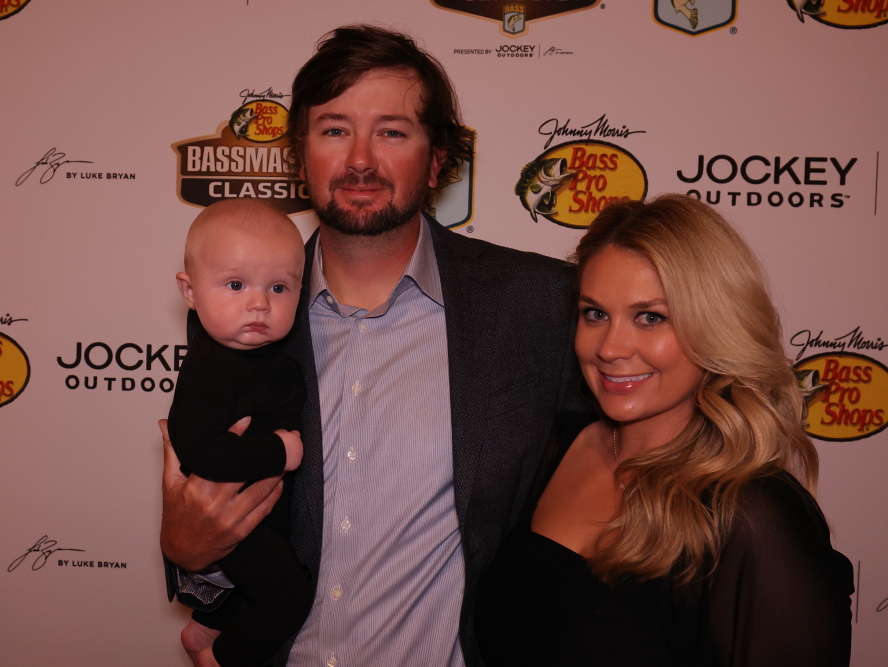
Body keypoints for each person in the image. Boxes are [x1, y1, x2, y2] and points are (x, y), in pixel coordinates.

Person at [159, 25, 587, 667]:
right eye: (334, 130)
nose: (360, 160)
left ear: (437, 159)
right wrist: (190, 554)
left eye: (392, 132)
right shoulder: (238, 317)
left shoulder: (537, 305)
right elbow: (219, 529)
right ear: (299, 158)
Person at [476, 194, 855, 667]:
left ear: (715, 327)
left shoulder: (751, 514)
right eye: (595, 314)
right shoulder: (559, 444)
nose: (610, 347)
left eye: (650, 317)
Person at [167, 200, 312, 667]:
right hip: (236, 519)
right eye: (235, 285)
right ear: (190, 292)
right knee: (287, 598)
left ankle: (204, 629)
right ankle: (222, 658)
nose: (259, 303)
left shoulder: (269, 356)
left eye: (279, 287)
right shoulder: (209, 367)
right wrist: (278, 451)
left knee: (263, 585)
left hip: (265, 512)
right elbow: (199, 449)